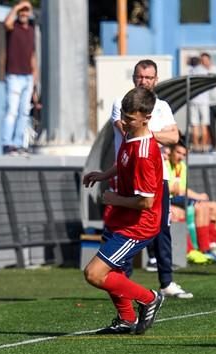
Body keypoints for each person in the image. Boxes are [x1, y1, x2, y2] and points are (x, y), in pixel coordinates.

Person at [86, 58, 192, 299]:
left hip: (151, 175)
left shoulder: (160, 108)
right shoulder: (124, 104)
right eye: (140, 76)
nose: (143, 81)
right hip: (125, 173)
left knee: (156, 227)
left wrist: (147, 133)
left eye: (148, 77)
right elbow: (128, 131)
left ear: (155, 79)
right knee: (118, 232)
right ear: (134, 78)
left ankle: (163, 283)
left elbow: (173, 136)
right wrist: (153, 134)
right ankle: (122, 283)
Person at [83, 87, 165, 335]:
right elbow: (123, 161)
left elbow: (147, 203)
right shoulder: (131, 136)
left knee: (94, 274)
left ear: (146, 118)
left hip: (139, 225)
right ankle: (126, 318)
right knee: (112, 269)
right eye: (123, 116)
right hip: (123, 218)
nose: (124, 123)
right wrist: (104, 175)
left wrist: (114, 199)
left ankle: (150, 298)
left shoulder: (144, 154)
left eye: (129, 119)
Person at [168, 142, 216, 262]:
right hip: (168, 200)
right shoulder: (165, 165)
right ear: (171, 151)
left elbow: (181, 189)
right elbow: (176, 190)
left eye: (183, 154)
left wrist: (196, 196)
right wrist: (198, 196)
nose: (180, 156)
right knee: (200, 207)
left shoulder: (182, 166)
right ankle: (203, 249)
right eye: (178, 152)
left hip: (179, 198)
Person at [2, 0, 37, 156]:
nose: (24, 13)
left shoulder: (31, 30)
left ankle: (18, 143)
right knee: (12, 111)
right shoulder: (13, 27)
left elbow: (33, 57)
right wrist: (16, 7)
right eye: (21, 11)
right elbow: (6, 23)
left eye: (26, 10)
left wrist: (34, 82)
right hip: (14, 76)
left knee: (24, 112)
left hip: (28, 77)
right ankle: (7, 143)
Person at [188, 56, 211, 152]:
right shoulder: (205, 71)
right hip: (204, 101)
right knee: (204, 124)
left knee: (195, 125)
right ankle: (204, 146)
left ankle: (196, 146)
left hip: (193, 100)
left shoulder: (191, 72)